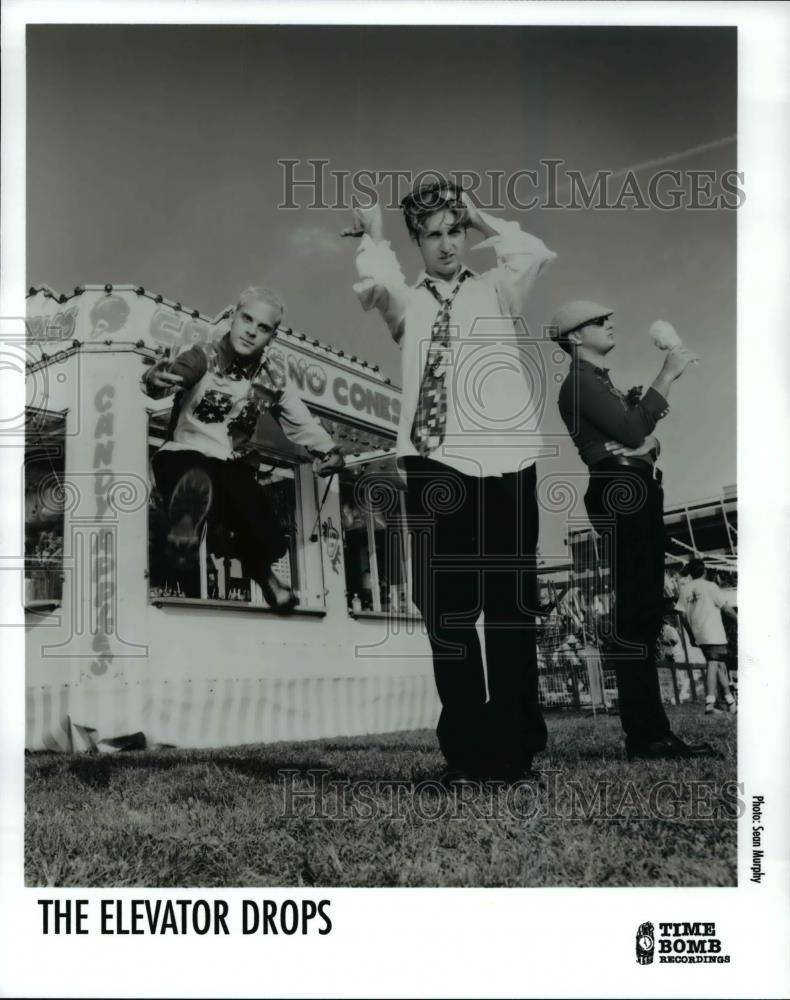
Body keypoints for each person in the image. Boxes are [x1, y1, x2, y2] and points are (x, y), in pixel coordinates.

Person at [343, 179, 557, 784]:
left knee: (510, 610)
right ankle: (466, 754)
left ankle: (513, 751)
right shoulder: (407, 304)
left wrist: (480, 215)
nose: (446, 244)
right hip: (435, 462)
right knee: (449, 613)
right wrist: (373, 234)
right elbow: (378, 279)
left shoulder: (497, 289)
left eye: (454, 231)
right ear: (417, 241)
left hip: (507, 459)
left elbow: (532, 251)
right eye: (433, 234)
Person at [551, 300, 714, 759]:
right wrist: (667, 375)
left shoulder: (595, 381)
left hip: (629, 485)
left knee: (641, 611)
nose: (609, 324)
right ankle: (646, 735)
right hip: (621, 487)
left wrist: (647, 437)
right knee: (637, 613)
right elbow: (630, 431)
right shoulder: (580, 382)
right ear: (575, 337)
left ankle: (649, 732)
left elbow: (638, 435)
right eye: (598, 321)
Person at [141, 285, 343, 611]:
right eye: (246, 319)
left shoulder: (273, 378)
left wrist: (329, 450)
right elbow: (179, 372)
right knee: (198, 475)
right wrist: (156, 378)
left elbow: (301, 421)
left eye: (262, 327)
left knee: (269, 534)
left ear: (272, 336)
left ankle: (262, 573)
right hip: (182, 455)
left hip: (229, 466)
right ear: (232, 317)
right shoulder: (204, 355)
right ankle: (184, 528)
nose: (251, 331)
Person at [676, 559, 737, 715]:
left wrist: (691, 635)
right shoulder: (710, 586)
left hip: (699, 633)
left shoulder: (685, 589)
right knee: (713, 663)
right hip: (714, 631)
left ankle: (731, 702)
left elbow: (682, 615)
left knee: (718, 664)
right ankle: (710, 702)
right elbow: (726, 608)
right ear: (704, 571)